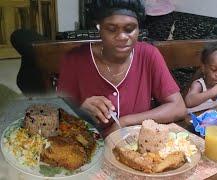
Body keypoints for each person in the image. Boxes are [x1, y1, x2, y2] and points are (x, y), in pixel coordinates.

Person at [57, 0, 186, 137]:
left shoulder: (148, 54)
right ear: (99, 28)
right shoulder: (76, 59)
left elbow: (178, 107)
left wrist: (125, 121)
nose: (122, 37)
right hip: (90, 146)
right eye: (111, 29)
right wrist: (79, 108)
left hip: (136, 146)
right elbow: (58, 111)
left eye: (130, 29)